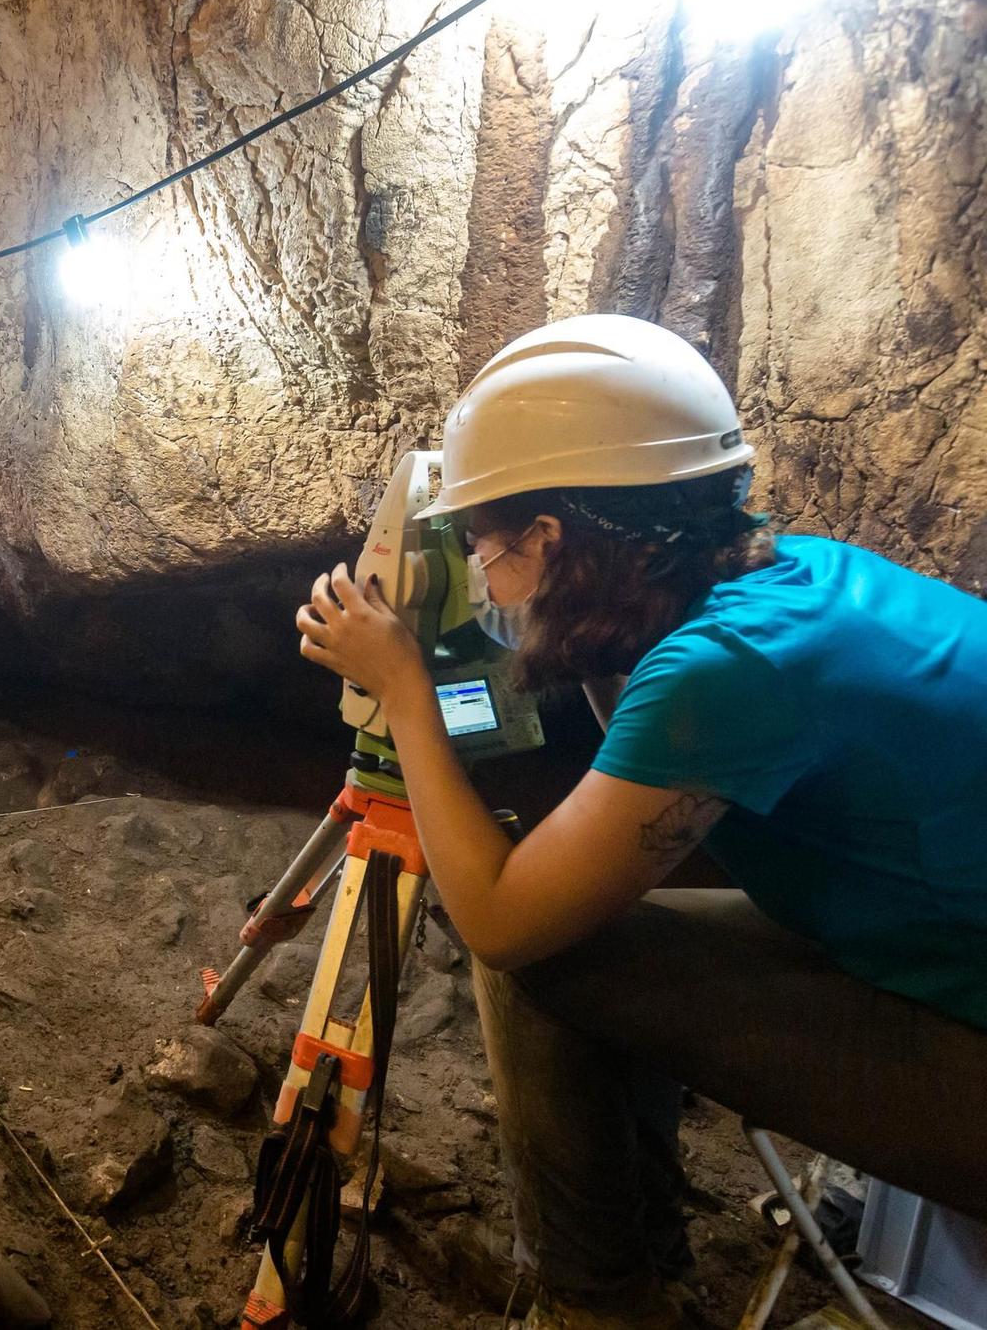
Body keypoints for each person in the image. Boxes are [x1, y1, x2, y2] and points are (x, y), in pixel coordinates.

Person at [294, 314, 987, 1329]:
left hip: (958, 1018)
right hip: (925, 943)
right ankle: (643, 1249)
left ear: (549, 543)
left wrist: (403, 685)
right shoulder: (779, 581)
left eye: (480, 540)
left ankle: (596, 1305)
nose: (476, 569)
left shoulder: (723, 671)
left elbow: (499, 917)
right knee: (590, 928)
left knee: (535, 955)